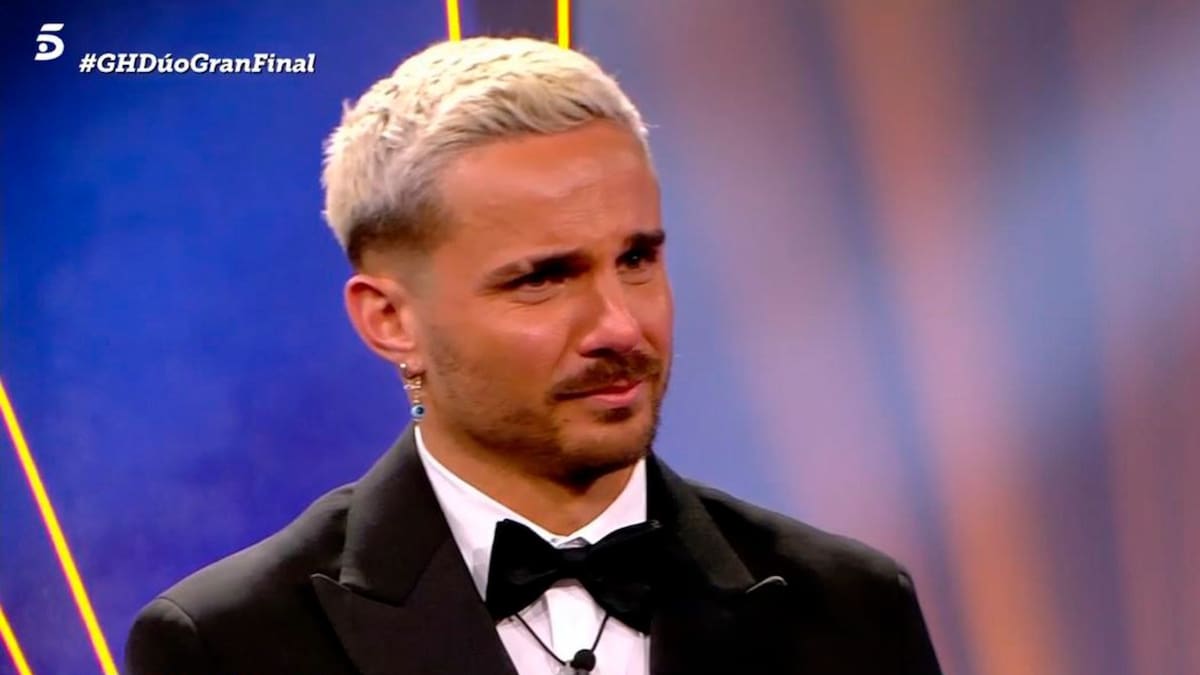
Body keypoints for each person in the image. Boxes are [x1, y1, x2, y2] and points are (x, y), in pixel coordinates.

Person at [126, 36, 943, 675]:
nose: (621, 326)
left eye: (637, 259)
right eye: (544, 278)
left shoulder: (849, 608)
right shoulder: (231, 643)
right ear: (390, 320)